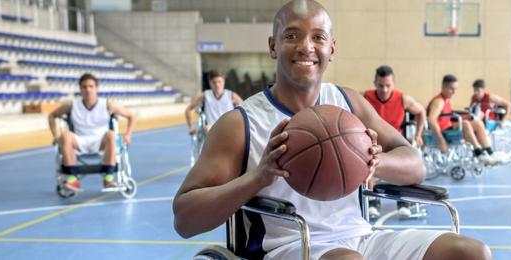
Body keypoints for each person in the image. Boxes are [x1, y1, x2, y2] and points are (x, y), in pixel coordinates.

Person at [172, 1, 491, 259]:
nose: (305, 47)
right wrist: (258, 177)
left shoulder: (348, 104)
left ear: (332, 49)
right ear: (273, 46)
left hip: (361, 238)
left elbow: (415, 164)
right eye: (292, 36)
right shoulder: (240, 123)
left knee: (471, 252)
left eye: (318, 37)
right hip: (289, 246)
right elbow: (184, 219)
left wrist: (373, 161)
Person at [47, 73, 136, 191]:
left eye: (91, 86)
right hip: (79, 140)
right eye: (84, 87)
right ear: (80, 89)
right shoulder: (72, 105)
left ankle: (109, 178)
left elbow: (131, 116)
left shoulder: (107, 104)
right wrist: (55, 135)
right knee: (65, 135)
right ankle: (72, 179)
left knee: (111, 134)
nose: (88, 89)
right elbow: (52, 115)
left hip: (101, 141)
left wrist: (128, 134)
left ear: (97, 88)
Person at [362, 65, 427, 219]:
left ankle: (403, 202)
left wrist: (418, 134)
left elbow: (421, 112)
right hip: (373, 143)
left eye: (388, 85)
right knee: (369, 162)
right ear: (374, 83)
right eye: (380, 85)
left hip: (395, 142)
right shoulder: (364, 97)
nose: (384, 89)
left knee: (406, 164)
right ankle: (372, 201)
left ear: (393, 83)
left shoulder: (403, 99)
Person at [427, 74, 500, 165]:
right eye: (451, 89)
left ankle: (490, 152)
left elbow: (447, 116)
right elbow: (431, 120)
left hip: (448, 126)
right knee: (465, 124)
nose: (454, 92)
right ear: (444, 86)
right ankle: (478, 152)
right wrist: (440, 140)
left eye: (455, 89)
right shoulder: (439, 101)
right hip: (442, 131)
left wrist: (466, 116)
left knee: (477, 123)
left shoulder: (446, 99)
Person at [185, 70, 244, 135]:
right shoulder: (205, 95)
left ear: (223, 81)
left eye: (219, 82)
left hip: (229, 126)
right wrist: (191, 127)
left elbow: (245, 109)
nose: (217, 85)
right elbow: (188, 110)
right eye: (214, 82)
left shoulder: (231, 95)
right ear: (209, 83)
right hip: (212, 127)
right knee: (207, 128)